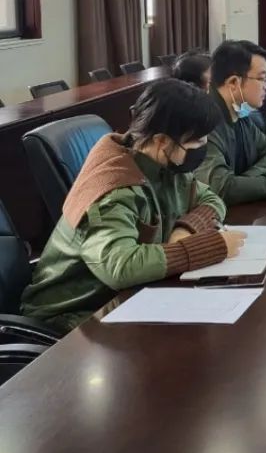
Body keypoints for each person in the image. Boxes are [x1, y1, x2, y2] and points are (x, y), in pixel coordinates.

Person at [20, 79, 246, 332]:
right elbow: (120, 267)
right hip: (72, 316)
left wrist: (186, 229)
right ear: (162, 141)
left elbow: (211, 199)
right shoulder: (113, 189)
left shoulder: (164, 164)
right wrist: (208, 248)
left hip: (126, 297)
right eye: (196, 142)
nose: (202, 149)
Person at [196, 40, 266, 205]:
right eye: (262, 78)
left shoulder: (240, 111)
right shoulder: (204, 123)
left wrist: (245, 182)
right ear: (234, 83)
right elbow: (222, 190)